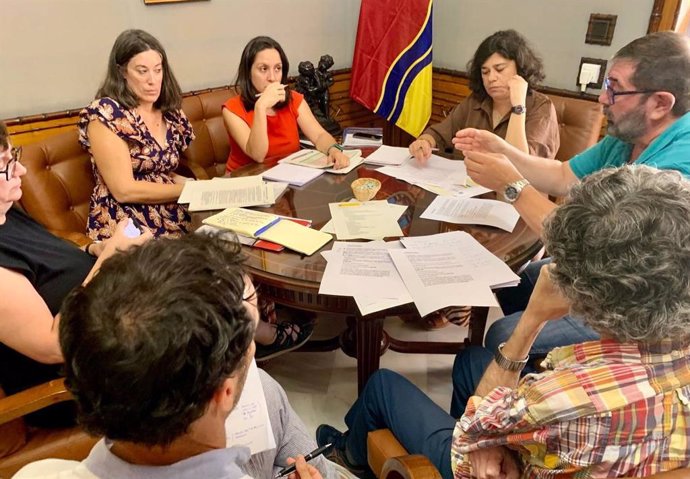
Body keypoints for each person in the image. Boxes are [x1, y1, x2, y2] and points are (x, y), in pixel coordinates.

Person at [317, 165, 690, 479]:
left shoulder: (560, 397)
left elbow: (474, 436)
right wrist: (496, 436)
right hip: (595, 449)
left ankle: (351, 455)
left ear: (586, 292)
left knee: (382, 384)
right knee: (470, 362)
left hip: (502, 459)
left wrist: (531, 321)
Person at [452, 31, 690, 375]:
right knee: (523, 278)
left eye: (615, 88)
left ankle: (531, 378)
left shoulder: (675, 169)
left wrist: (510, 185)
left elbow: (589, 250)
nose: (602, 100)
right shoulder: (629, 137)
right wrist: (505, 151)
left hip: (643, 313)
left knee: (500, 334)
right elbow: (563, 175)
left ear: (660, 104)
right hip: (607, 270)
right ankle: (535, 369)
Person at [13, 234, 335, 479]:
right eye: (248, 345)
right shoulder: (260, 390)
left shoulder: (34, 474)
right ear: (223, 393)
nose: (251, 352)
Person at [0, 121, 149, 427]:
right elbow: (55, 345)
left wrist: (94, 250)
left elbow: (50, 261)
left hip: (113, 334)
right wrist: (110, 260)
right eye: (5, 165)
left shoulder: (7, 214)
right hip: (81, 382)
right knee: (207, 344)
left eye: (12, 157)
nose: (21, 171)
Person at [78, 29, 194, 240]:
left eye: (158, 70)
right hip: (127, 218)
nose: (153, 80)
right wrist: (189, 191)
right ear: (122, 72)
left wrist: (202, 187)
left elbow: (161, 172)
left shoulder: (170, 112)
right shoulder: (106, 113)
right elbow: (124, 190)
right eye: (142, 71)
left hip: (174, 212)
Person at [409, 29, 559, 164]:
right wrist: (425, 142)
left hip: (512, 192)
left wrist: (518, 106)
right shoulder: (476, 101)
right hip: (465, 188)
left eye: (499, 69)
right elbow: (439, 134)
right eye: (485, 72)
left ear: (519, 68)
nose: (491, 78)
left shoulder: (541, 107)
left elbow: (521, 165)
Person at [223, 36, 350, 173]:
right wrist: (260, 107)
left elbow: (319, 135)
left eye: (277, 68)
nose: (272, 78)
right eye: (263, 69)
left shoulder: (293, 99)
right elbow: (258, 155)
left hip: (285, 176)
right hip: (245, 180)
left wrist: (334, 150)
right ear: (248, 73)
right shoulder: (231, 108)